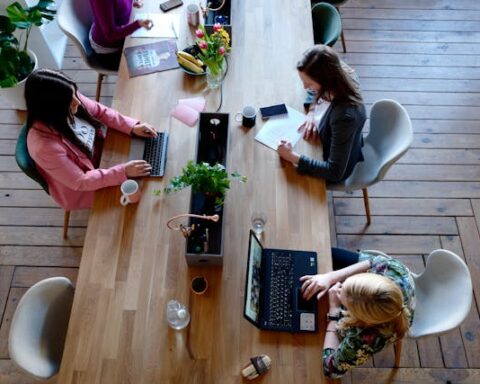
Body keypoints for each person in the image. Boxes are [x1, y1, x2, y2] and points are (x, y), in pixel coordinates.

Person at [25, 69, 157, 210]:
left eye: (75, 93)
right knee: (144, 200)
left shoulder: (67, 97)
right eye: (71, 101)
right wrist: (122, 171)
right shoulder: (44, 147)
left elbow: (100, 112)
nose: (78, 101)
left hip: (102, 158)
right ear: (52, 109)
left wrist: (131, 126)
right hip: (84, 187)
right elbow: (81, 181)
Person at [300, 248, 415, 378]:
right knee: (323, 253)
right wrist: (330, 277)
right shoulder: (394, 270)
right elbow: (371, 261)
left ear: (359, 318)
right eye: (345, 285)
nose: (337, 287)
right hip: (393, 303)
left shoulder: (365, 340)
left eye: (342, 292)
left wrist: (334, 311)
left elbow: (330, 369)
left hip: (378, 327)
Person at [277, 45, 366, 183]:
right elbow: (314, 90)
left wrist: (292, 156)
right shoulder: (336, 71)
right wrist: (312, 111)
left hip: (332, 163)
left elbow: (335, 172)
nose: (305, 88)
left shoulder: (345, 117)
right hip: (326, 138)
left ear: (326, 82)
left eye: (309, 83)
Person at [89, 0, 153, 70]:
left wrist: (133, 2)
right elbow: (111, 35)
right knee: (148, 66)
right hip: (109, 51)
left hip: (122, 35)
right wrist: (137, 24)